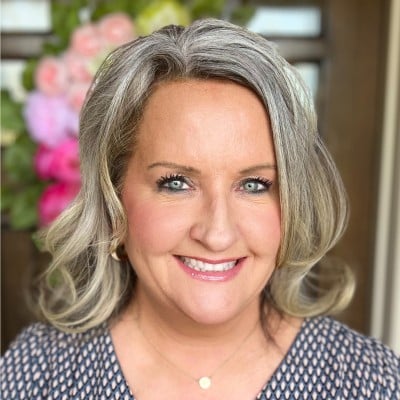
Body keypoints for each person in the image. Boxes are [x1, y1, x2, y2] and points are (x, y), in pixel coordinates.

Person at [1, 18, 399, 400]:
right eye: (176, 183)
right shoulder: (36, 374)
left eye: (254, 185)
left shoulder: (369, 382)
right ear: (114, 198)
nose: (217, 233)